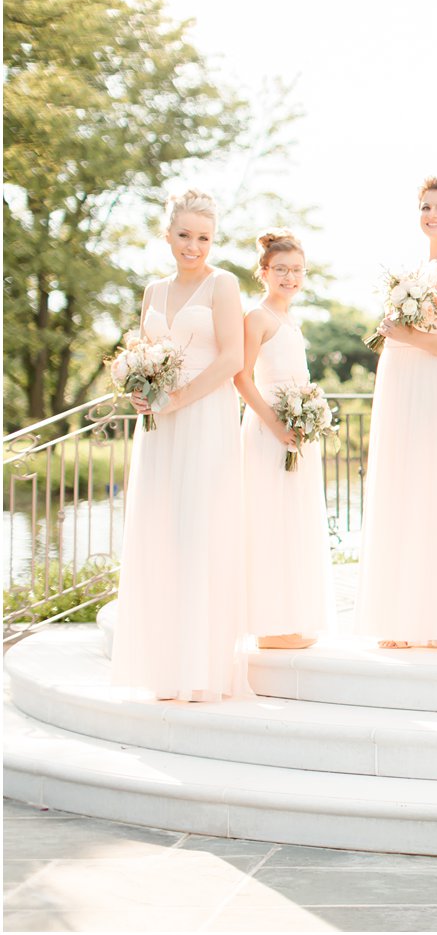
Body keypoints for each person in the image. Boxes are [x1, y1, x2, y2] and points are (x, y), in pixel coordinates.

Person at [112, 188, 248, 701]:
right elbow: (145, 352)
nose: (194, 246)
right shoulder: (152, 291)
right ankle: (164, 668)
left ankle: (203, 670)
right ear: (167, 234)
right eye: (185, 235)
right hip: (159, 427)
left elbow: (232, 359)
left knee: (198, 533)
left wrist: (179, 398)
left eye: (204, 238)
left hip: (204, 419)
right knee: (161, 533)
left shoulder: (223, 285)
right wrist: (141, 390)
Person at [354, 178, 437, 649]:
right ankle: (401, 616)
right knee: (403, 490)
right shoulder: (423, 266)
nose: (432, 215)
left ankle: (428, 620)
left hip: (432, 386)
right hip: (402, 383)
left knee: (430, 492)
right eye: (426, 207)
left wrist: (408, 337)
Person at [233, 229, 334, 650]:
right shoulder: (257, 317)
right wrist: (274, 423)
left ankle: (289, 618)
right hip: (268, 428)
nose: (290, 277)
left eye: (296, 270)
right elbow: (240, 375)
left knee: (294, 522)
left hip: (297, 432)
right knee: (269, 520)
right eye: (281, 270)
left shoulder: (292, 319)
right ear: (264, 272)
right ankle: (269, 627)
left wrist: (308, 414)